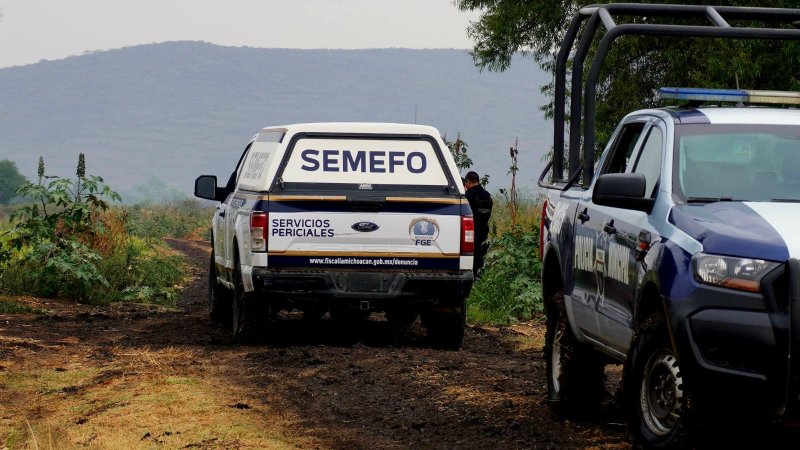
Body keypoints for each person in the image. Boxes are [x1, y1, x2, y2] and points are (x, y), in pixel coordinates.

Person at [463, 171, 493, 277]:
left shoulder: (468, 196)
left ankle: (472, 278)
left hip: (471, 231)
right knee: (481, 256)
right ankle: (480, 278)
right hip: (484, 230)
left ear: (468, 181)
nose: (465, 186)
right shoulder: (487, 195)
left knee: (471, 257)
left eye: (465, 184)